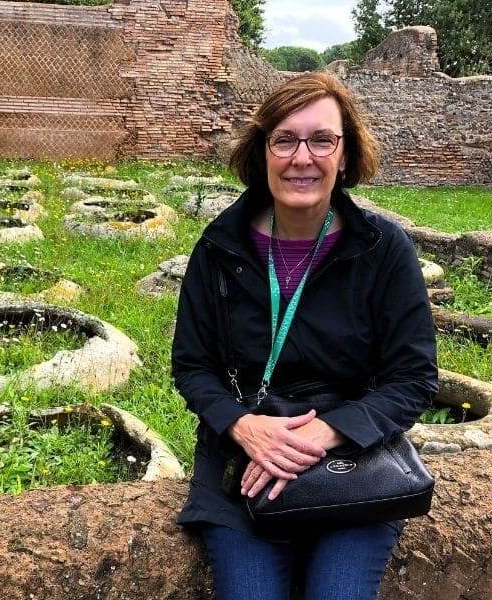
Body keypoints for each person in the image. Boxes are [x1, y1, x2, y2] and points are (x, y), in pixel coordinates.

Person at [171, 71, 438, 600]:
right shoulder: (219, 246)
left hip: (353, 457)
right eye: (285, 140)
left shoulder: (384, 249)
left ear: (344, 154)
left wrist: (327, 432)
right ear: (262, 151)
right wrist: (243, 427)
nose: (302, 158)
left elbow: (413, 377)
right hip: (244, 458)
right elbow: (193, 365)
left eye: (321, 140)